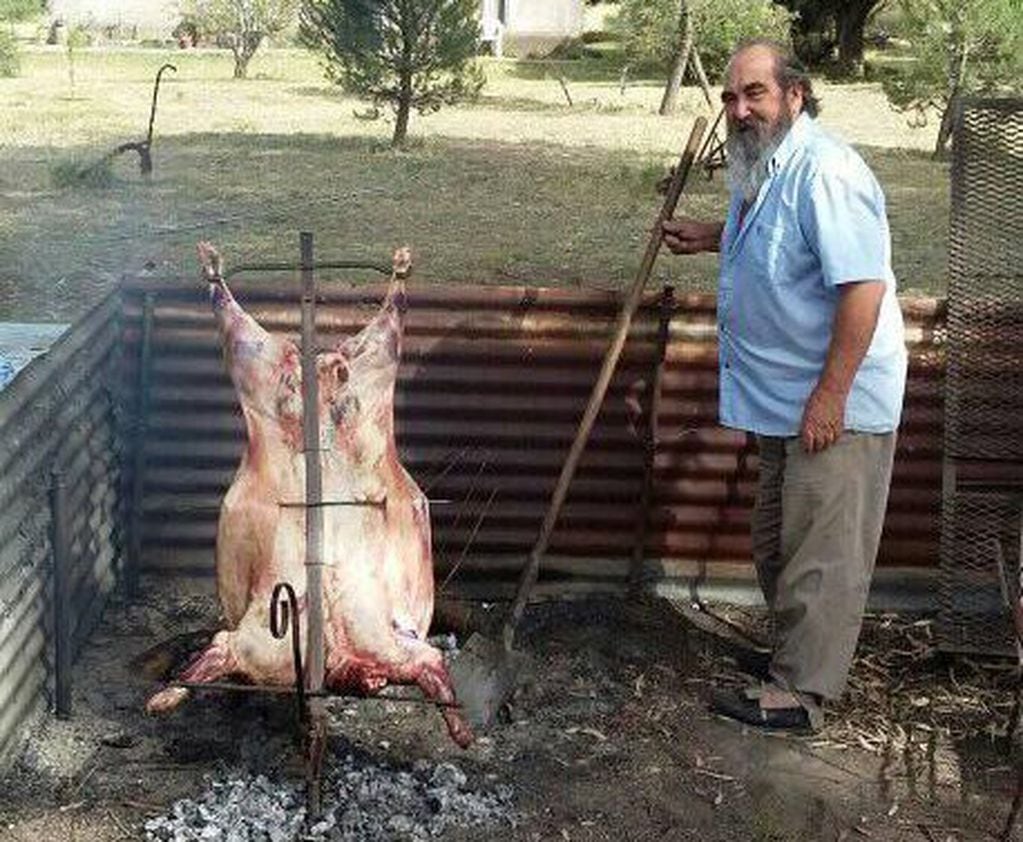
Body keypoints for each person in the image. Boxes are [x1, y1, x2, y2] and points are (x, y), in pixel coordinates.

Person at [662, 39, 907, 732]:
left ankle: (800, 695)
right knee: (777, 545)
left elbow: (862, 288)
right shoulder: (769, 166)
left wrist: (829, 395)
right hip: (784, 399)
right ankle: (795, 655)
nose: (739, 110)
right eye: (730, 98)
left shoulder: (826, 171)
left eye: (754, 94)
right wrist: (715, 234)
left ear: (794, 95)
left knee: (819, 555)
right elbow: (786, 241)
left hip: (832, 401)